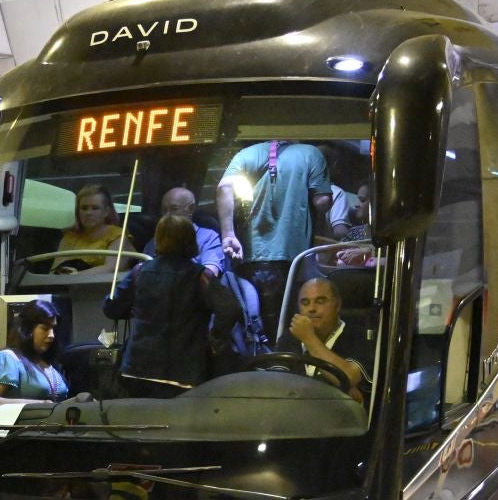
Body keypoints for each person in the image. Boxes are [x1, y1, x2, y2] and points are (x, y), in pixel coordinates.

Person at [217, 140, 331, 340]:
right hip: (291, 259)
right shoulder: (311, 154)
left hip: (249, 259)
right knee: (285, 329)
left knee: (254, 330)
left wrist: (228, 235)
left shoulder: (245, 154)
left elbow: (224, 187)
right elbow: (321, 202)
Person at [103, 215, 222, 397]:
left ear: (158, 239)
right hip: (186, 372)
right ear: (191, 239)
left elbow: (112, 309)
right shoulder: (200, 276)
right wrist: (216, 337)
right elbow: (231, 309)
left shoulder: (140, 272)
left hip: (138, 369)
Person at [276, 278, 369, 400]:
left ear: (338, 305)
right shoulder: (290, 336)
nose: (311, 309)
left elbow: (350, 377)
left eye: (320, 301)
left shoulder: (359, 335)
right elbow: (276, 384)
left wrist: (309, 338)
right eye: (305, 303)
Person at [0, 301, 67, 406]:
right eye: (45, 328)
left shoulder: (48, 365)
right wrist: (40, 405)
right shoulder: (8, 358)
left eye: (54, 329)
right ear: (28, 329)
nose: (52, 335)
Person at [51, 184, 125, 273]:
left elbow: (111, 269)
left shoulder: (117, 236)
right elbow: (55, 272)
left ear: (106, 212)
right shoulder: (70, 237)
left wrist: (75, 275)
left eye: (95, 208)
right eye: (84, 208)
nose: (88, 213)